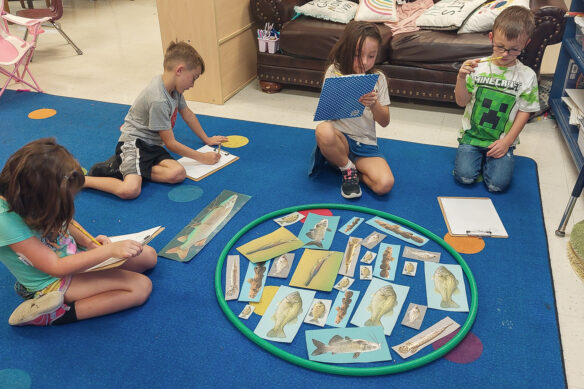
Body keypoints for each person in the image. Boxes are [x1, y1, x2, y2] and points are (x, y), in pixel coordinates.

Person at [0, 138, 157, 326]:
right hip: (51, 281)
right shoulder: (5, 221)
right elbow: (56, 267)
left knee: (148, 256)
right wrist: (105, 252)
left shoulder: (34, 197)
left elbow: (67, 221)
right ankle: (53, 314)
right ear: (44, 196)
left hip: (72, 258)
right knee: (139, 287)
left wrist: (90, 244)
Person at [84, 41, 228, 199]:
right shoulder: (158, 99)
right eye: (193, 78)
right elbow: (171, 143)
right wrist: (202, 157)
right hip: (134, 144)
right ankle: (86, 179)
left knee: (178, 173)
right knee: (130, 190)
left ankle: (129, 168)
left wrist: (207, 139)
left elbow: (187, 113)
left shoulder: (173, 88)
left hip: (152, 147)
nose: (192, 85)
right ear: (179, 70)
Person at [453, 6, 540, 192]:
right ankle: (476, 155)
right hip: (472, 137)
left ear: (526, 44)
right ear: (491, 37)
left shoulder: (527, 75)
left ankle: (494, 157)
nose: (504, 55)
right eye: (500, 46)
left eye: (514, 49)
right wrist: (461, 78)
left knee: (496, 185)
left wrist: (507, 142)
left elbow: (525, 111)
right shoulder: (476, 68)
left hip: (501, 139)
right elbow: (461, 102)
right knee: (464, 178)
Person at [310, 21, 393, 199]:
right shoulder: (334, 72)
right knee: (323, 130)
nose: (364, 62)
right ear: (346, 50)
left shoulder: (379, 78)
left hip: (365, 143)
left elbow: (385, 122)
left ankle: (346, 167)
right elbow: (326, 114)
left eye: (371, 56)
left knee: (384, 184)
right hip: (340, 140)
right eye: (357, 55)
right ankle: (347, 168)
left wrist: (373, 104)